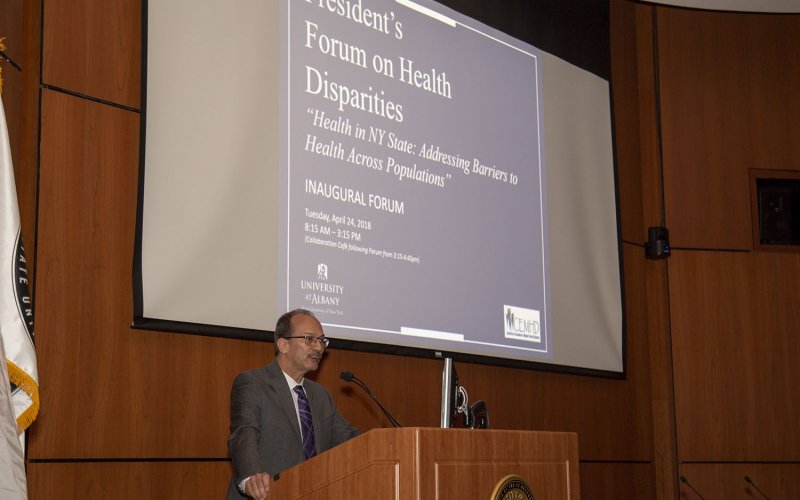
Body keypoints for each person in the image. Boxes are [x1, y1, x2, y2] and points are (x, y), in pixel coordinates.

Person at [226, 309, 359, 499]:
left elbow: (352, 441)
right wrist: (251, 476)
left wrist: (389, 446)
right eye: (309, 339)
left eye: (322, 340)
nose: (319, 347)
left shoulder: (321, 396)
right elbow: (244, 433)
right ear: (283, 345)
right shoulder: (253, 383)